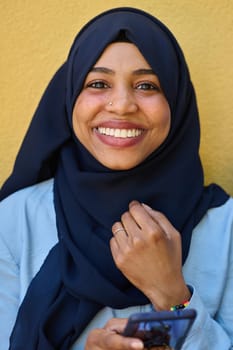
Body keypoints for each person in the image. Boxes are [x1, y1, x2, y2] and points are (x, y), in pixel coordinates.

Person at [0, 6, 232, 350]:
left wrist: (173, 296)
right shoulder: (15, 220)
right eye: (97, 83)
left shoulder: (225, 227)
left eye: (146, 85)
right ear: (69, 99)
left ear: (177, 100)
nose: (122, 105)